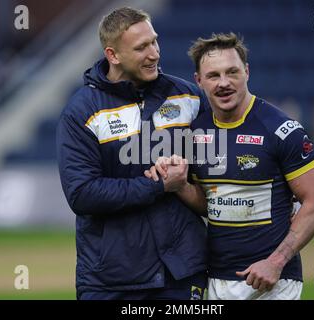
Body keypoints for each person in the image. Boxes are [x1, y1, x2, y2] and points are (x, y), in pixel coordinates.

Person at [146, 33, 314, 300]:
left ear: (246, 72)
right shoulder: (196, 132)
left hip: (272, 282)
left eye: (232, 72)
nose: (224, 83)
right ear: (199, 81)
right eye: (213, 76)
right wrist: (177, 184)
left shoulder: (281, 129)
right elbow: (211, 203)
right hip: (217, 279)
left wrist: (276, 261)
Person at [56, 7, 208, 300]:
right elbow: (82, 194)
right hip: (111, 280)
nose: (154, 54)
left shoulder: (189, 98)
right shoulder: (82, 111)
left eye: (154, 41)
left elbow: (212, 174)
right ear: (113, 55)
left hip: (182, 273)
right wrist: (158, 184)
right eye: (141, 48)